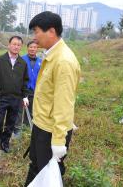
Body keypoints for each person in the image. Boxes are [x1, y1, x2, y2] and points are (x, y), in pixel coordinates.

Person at [24, 11, 81, 186]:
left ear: (51, 31)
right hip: (42, 126)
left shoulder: (63, 61)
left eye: (36, 31)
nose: (34, 37)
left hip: (50, 132)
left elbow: (64, 105)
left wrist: (58, 141)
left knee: (49, 175)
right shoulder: (51, 55)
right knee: (37, 168)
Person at [0, 36, 29, 155]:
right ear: (9, 45)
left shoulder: (22, 63)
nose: (16, 46)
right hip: (1, 97)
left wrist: (25, 96)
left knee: (11, 123)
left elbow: (25, 81)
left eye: (18, 45)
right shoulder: (0, 61)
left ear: (21, 47)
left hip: (16, 98)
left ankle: (5, 143)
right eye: (14, 44)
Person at [21, 41, 42, 121]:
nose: (32, 49)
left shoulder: (41, 61)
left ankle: (29, 123)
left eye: (35, 47)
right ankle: (19, 126)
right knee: (22, 108)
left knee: (33, 107)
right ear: (27, 48)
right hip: (24, 88)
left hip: (35, 89)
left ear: (37, 49)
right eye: (31, 47)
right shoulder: (22, 59)